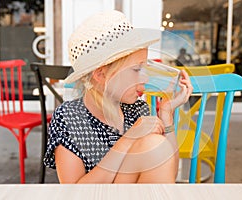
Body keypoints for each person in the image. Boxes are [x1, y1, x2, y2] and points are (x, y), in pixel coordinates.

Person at [44, 10, 193, 183]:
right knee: (152, 145)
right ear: (100, 75)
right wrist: (130, 137)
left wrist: (166, 117)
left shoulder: (137, 110)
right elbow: (74, 192)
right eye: (137, 70)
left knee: (155, 146)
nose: (145, 78)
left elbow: (167, 173)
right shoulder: (69, 118)